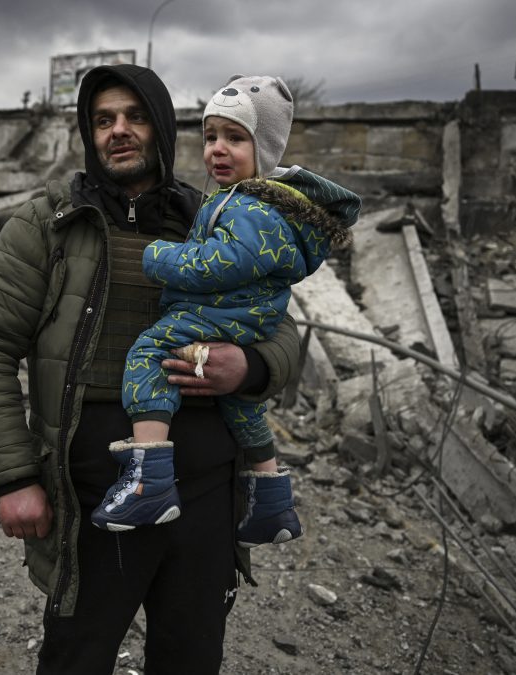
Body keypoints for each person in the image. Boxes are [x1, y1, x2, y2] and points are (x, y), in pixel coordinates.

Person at [0, 64, 301, 674]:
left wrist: (246, 367)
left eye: (135, 116)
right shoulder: (49, 224)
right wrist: (13, 477)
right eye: (103, 120)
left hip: (204, 497)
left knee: (191, 657)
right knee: (77, 656)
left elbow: (283, 333)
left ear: (163, 129)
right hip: (94, 498)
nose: (119, 130)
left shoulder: (216, 218)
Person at [90, 75, 361, 548]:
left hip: (221, 311)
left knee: (149, 353)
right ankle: (272, 501)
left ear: (267, 148)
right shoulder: (243, 200)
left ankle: (148, 477)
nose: (217, 148)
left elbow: (223, 264)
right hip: (244, 317)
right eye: (211, 136)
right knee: (242, 406)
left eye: (235, 138)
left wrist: (158, 257)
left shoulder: (251, 207)